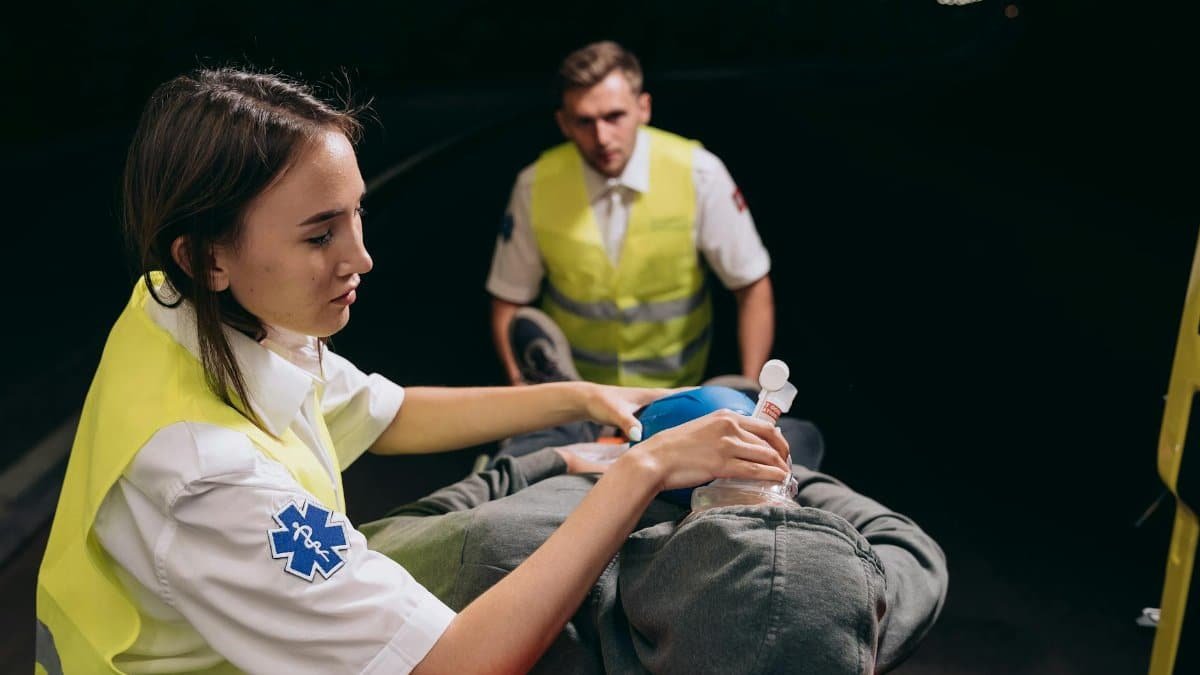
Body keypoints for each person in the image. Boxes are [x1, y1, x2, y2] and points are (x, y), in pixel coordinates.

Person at [34, 67, 794, 675]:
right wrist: (645, 468)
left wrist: (580, 394)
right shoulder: (208, 481)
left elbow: (384, 412)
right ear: (207, 256)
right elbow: (456, 663)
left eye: (356, 214)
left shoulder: (182, 305)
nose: (360, 257)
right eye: (318, 234)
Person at [362, 448, 948, 674]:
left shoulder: (505, 556)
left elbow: (382, 538)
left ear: (665, 546)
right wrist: (780, 472)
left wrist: (562, 460)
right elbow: (910, 548)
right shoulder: (835, 627)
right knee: (776, 412)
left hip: (590, 464)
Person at [488, 40, 777, 389]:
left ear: (643, 108)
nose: (602, 137)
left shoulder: (699, 173)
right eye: (584, 121)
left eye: (614, 117)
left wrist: (750, 394)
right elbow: (508, 301)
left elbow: (751, 286)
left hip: (678, 392)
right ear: (563, 124)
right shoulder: (534, 185)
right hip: (574, 398)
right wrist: (522, 392)